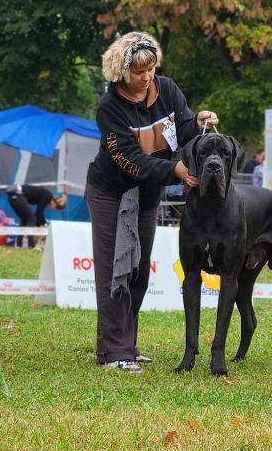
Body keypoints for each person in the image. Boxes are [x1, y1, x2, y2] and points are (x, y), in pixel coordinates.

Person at [85, 31, 219, 374]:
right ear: (121, 72)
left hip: (146, 196)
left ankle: (123, 344)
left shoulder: (168, 89)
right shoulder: (109, 108)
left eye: (152, 68)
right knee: (115, 270)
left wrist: (200, 122)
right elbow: (129, 159)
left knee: (139, 270)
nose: (147, 77)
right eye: (139, 71)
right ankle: (116, 353)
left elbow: (186, 131)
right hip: (110, 193)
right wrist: (175, 169)